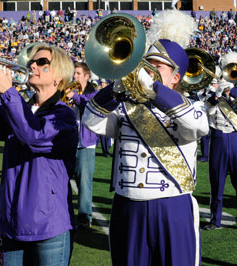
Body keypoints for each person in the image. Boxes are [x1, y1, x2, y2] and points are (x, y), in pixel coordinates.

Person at [83, 10, 208, 266]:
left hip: (172, 207)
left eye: (157, 65)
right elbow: (91, 121)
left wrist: (154, 90)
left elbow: (197, 126)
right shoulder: (125, 105)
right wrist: (114, 91)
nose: (146, 69)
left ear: (175, 77)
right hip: (128, 206)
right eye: (145, 62)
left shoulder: (192, 107)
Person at [0, 44, 77, 265]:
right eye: (31, 62)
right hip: (12, 223)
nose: (33, 65)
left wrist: (8, 92)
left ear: (59, 77)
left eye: (42, 62)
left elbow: (34, 135)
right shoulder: (18, 107)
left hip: (48, 226)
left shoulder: (63, 115)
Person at [203, 55, 237, 230]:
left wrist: (231, 94)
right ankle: (215, 219)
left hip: (235, 137)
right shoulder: (212, 94)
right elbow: (206, 110)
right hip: (218, 138)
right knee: (217, 182)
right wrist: (218, 93)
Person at [66, 62, 98, 229]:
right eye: (74, 73)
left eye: (78, 74)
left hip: (86, 144)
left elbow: (89, 106)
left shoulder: (94, 93)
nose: (75, 77)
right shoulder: (70, 91)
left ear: (86, 76)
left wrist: (74, 96)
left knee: (84, 183)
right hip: (69, 142)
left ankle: (85, 216)